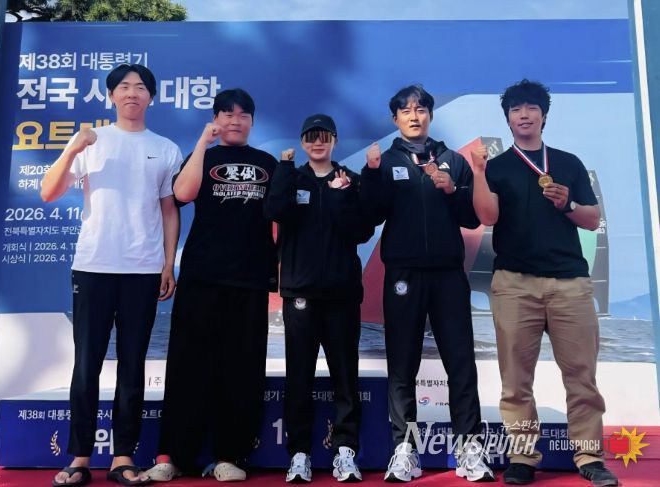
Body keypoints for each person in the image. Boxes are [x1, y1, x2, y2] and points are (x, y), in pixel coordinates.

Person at [469, 79, 618, 486]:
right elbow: (487, 217)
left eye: (531, 108)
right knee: (516, 380)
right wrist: (479, 172)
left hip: (570, 284)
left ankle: (589, 456)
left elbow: (592, 219)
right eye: (516, 109)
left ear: (544, 115)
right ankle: (522, 457)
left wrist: (567, 203)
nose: (524, 115)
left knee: (582, 377)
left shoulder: (568, 162)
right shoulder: (497, 167)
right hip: (515, 284)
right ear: (508, 119)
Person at [41, 63, 182, 486]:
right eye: (123, 86)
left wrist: (167, 263)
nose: (132, 93)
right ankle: (80, 457)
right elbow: (48, 192)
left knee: (133, 365)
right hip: (93, 266)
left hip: (142, 269)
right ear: (111, 95)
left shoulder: (166, 148)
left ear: (151, 97)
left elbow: (169, 210)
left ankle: (123, 457)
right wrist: (71, 149)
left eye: (140, 87)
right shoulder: (92, 140)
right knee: (86, 364)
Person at [360, 85, 494, 483]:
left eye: (420, 109)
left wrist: (451, 190)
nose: (414, 116)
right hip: (403, 275)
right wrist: (371, 174)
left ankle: (469, 448)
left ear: (430, 115)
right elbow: (370, 215)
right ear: (395, 119)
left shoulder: (455, 161)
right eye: (406, 111)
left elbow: (472, 218)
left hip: (449, 274)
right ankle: (405, 450)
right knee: (402, 365)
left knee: (460, 362)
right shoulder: (385, 162)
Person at [145, 88, 278, 483]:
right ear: (216, 119)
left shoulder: (267, 163)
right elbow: (182, 194)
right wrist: (203, 142)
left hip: (250, 281)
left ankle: (230, 455)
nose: (235, 121)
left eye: (243, 115)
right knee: (188, 366)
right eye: (227, 114)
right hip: (201, 278)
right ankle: (173, 456)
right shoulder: (203, 156)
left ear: (252, 121)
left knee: (242, 370)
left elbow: (283, 216)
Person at [265, 114, 373, 483]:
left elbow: (361, 231)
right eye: (311, 136)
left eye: (324, 136)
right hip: (300, 293)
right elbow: (274, 211)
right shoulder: (292, 178)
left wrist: (342, 196)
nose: (317, 142)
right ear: (302, 141)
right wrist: (283, 168)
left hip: (342, 294)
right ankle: (299, 454)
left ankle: (346, 452)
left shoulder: (350, 180)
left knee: (345, 376)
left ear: (335, 141)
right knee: (299, 377)